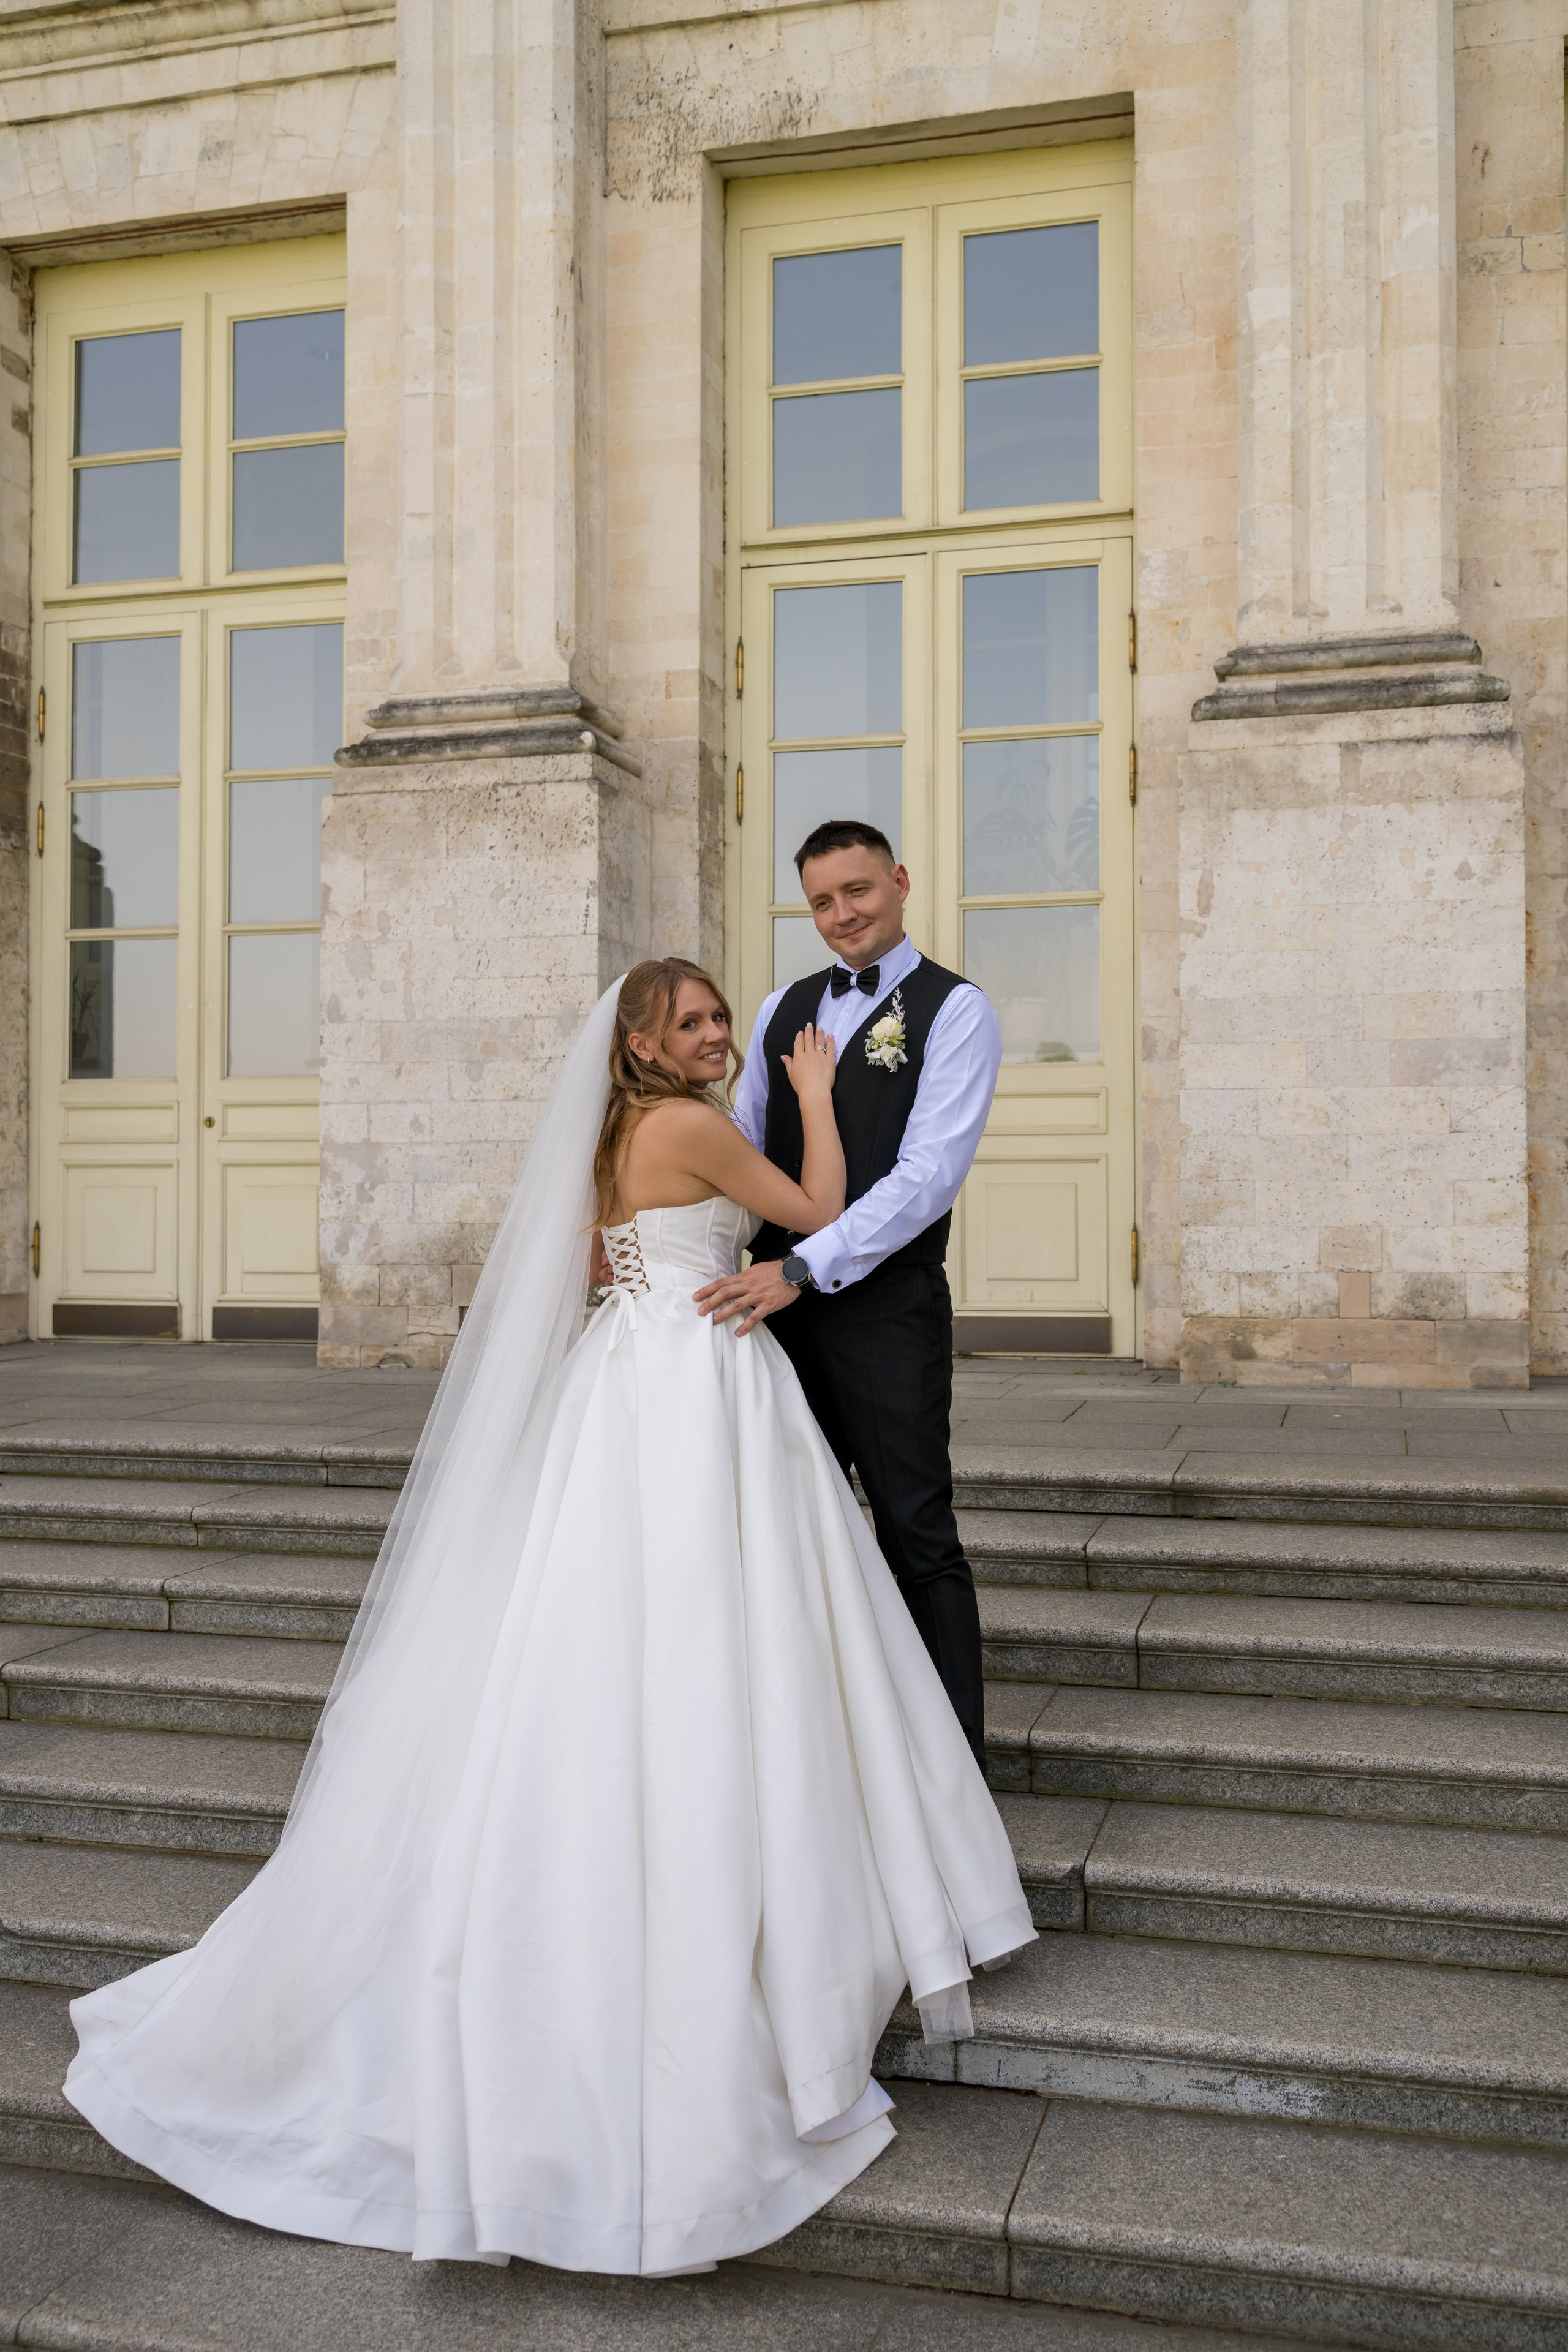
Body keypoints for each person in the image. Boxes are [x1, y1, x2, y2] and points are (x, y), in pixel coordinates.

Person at [64, 958, 1033, 2279]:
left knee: (628, 1633)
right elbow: (812, 1209)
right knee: (717, 1635)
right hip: (696, 1385)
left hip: (624, 1376)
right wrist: (808, 1090)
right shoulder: (690, 1124)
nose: (715, 1038)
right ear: (643, 1040)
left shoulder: (608, 1136)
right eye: (692, 1022)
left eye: (716, 1022)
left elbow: (597, 1260)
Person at [701, 821, 1003, 1771]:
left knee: (915, 1528)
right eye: (823, 902)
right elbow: (744, 1151)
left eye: (858, 893)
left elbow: (927, 1178)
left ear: (900, 883)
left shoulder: (957, 1010)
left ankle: (953, 1764)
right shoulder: (778, 1008)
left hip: (884, 1311)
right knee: (795, 1530)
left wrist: (801, 1266)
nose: (842, 917)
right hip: (772, 1315)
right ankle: (828, 1759)